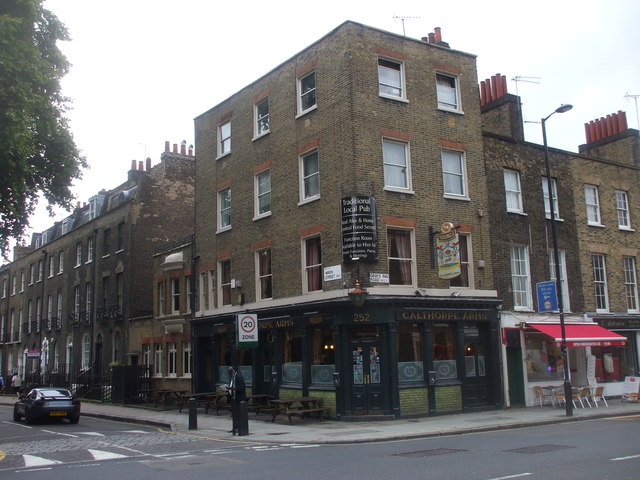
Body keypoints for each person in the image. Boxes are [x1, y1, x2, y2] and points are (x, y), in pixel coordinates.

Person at [226, 367, 246, 434]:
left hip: (239, 399)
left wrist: (232, 388)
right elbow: (231, 385)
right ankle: (235, 427)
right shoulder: (232, 377)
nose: (228, 375)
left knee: (238, 414)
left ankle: (238, 427)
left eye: (229, 373)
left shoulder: (238, 376)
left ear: (232, 371)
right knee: (234, 414)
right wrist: (228, 389)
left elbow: (242, 387)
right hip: (233, 398)